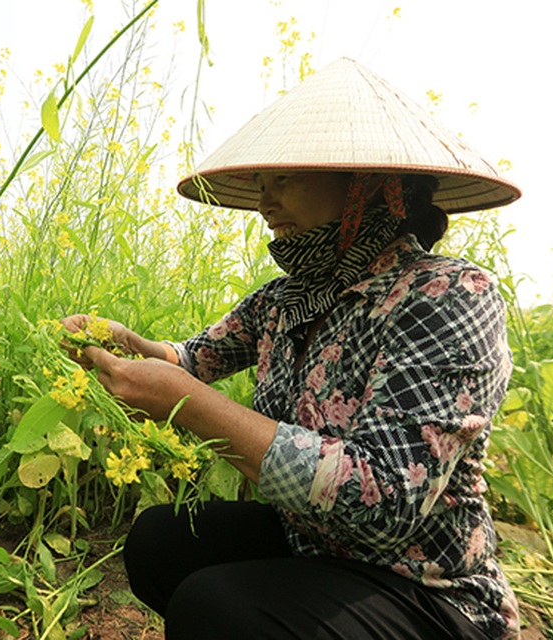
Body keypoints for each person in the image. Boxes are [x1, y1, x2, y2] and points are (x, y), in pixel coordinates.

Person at [62, 58, 522, 640]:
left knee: (217, 607)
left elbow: (384, 502)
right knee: (161, 540)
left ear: (364, 185)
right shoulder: (287, 299)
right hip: (315, 544)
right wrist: (126, 344)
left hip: (424, 587)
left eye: (284, 181)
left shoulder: (447, 296)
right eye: (261, 184)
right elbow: (191, 359)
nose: (264, 203)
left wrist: (190, 404)